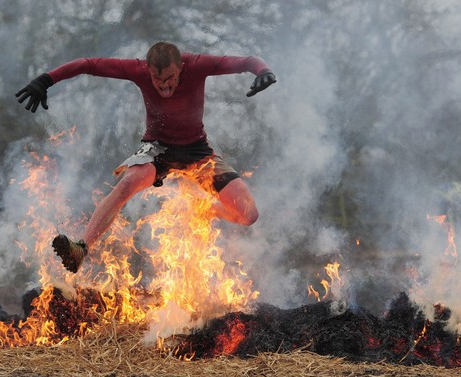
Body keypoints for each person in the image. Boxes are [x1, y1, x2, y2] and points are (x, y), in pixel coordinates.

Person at [16, 41, 276, 273]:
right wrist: (46, 79)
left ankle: (205, 210)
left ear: (180, 68)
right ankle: (81, 249)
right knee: (127, 184)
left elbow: (245, 61)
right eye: (157, 79)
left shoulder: (197, 65)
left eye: (170, 79)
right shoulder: (138, 70)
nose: (164, 86)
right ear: (149, 71)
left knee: (248, 214)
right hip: (158, 149)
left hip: (197, 151)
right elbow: (89, 64)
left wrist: (262, 70)